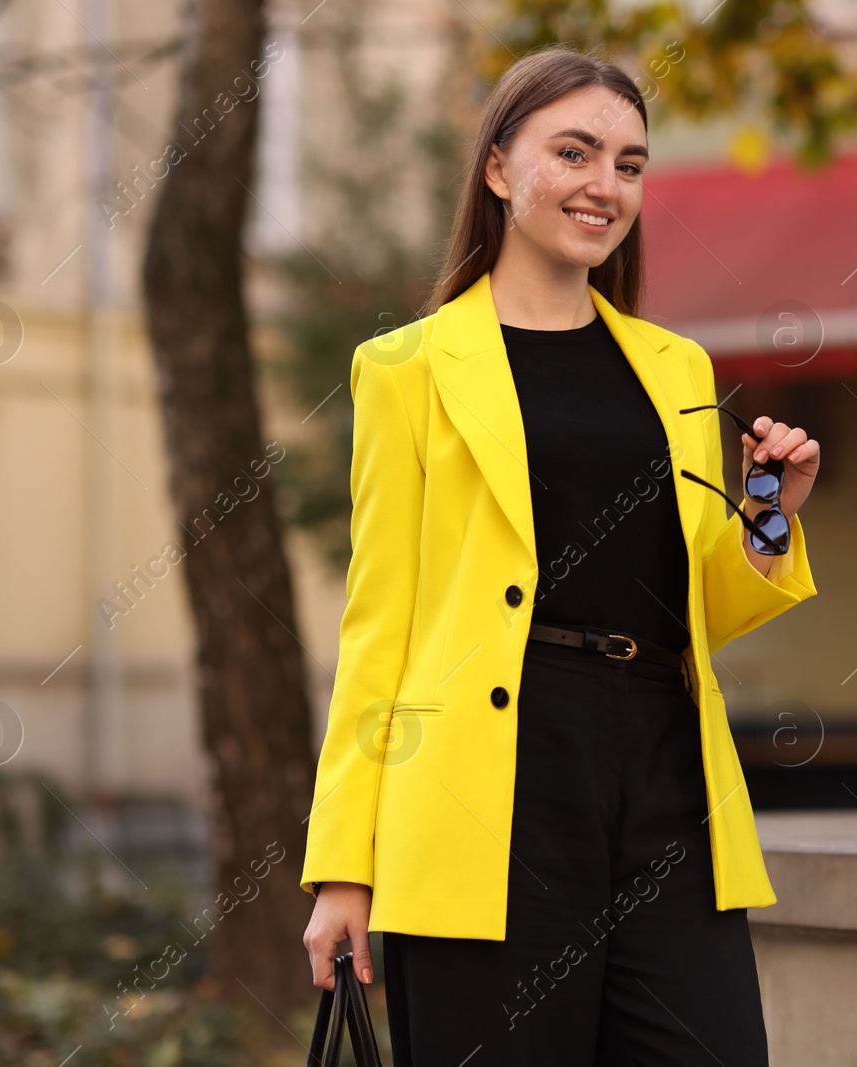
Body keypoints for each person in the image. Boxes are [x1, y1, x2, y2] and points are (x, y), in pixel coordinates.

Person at [300, 43, 821, 1065]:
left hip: (665, 770)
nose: (604, 185)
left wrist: (765, 517)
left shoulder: (675, 366)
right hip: (486, 794)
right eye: (574, 152)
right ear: (498, 168)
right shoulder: (406, 369)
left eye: (628, 163)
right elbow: (379, 624)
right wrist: (343, 866)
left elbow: (688, 607)